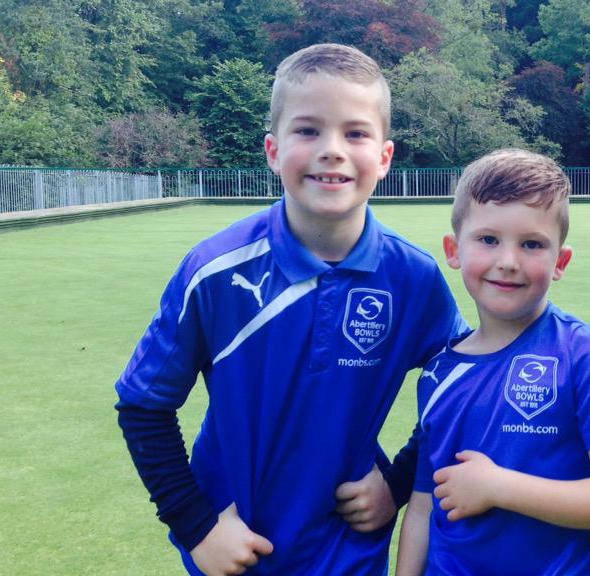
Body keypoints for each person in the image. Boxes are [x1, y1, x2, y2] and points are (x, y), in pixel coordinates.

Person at [114, 43, 464, 575]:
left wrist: (397, 481)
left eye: (355, 133)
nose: (332, 149)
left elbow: (462, 383)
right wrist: (197, 527)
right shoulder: (214, 271)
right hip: (233, 547)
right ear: (274, 150)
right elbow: (143, 406)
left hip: (348, 550)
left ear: (385, 158)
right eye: (308, 130)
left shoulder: (412, 278)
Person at [396, 149, 590, 575]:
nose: (508, 261)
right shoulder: (438, 371)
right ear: (453, 249)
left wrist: (499, 487)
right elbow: (424, 507)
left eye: (532, 244)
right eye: (488, 239)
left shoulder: (586, 355)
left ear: (560, 262)